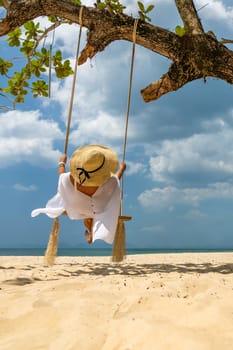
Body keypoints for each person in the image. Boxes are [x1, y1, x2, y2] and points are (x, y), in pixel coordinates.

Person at [31, 145, 126, 245]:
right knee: (92, 211)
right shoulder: (110, 182)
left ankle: (90, 232)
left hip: (77, 208)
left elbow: (61, 174)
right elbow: (117, 177)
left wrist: (62, 162)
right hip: (98, 209)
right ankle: (91, 232)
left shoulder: (68, 178)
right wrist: (122, 169)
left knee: (86, 212)